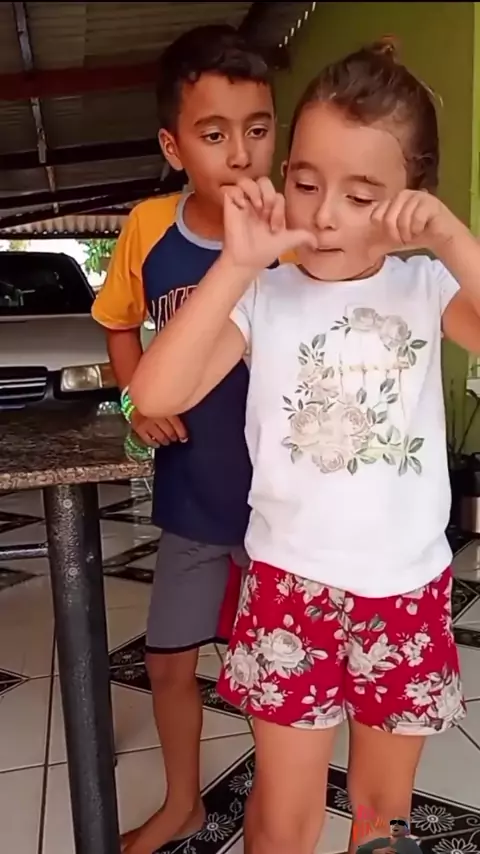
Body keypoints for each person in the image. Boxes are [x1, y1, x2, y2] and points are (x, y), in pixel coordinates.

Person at [128, 40, 478, 854]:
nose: (324, 215)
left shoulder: (427, 288)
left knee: (382, 817)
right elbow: (154, 394)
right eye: (307, 183)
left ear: (410, 201)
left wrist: (452, 240)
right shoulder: (263, 294)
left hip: (405, 593)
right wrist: (237, 263)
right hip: (289, 591)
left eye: (360, 195)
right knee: (283, 818)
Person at [92, 24, 276, 854]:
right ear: (173, 146)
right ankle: (183, 804)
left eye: (258, 128)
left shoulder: (292, 234)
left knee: (272, 671)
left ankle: (277, 804)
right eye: (213, 134)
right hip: (191, 493)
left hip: (278, 509)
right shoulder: (148, 227)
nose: (240, 153)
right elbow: (117, 320)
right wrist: (138, 400)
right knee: (169, 661)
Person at [356, 818, 421, 854]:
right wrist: (377, 852)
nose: (395, 824)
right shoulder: (380, 841)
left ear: (407, 831)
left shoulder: (410, 844)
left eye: (401, 823)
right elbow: (360, 851)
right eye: (393, 822)